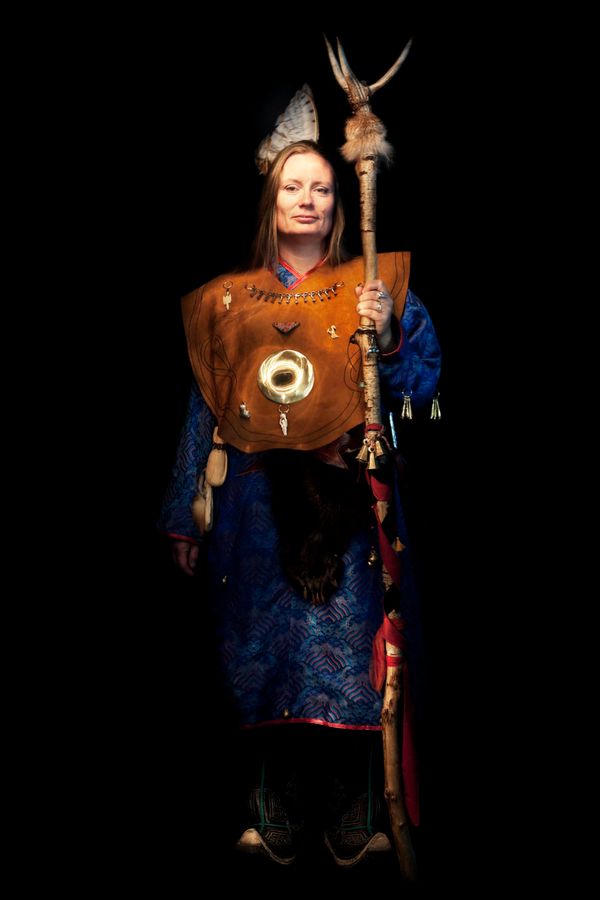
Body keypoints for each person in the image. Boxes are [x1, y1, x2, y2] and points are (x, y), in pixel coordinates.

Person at [159, 117, 440, 867]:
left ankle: (358, 803)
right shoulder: (228, 300)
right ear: (273, 200)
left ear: (339, 203)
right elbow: (202, 409)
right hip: (253, 507)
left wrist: (389, 333)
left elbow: (422, 392)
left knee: (351, 653)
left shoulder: (372, 286)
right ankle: (269, 802)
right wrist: (183, 513)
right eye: (294, 187)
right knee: (259, 655)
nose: (308, 200)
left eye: (321, 187)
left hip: (346, 503)